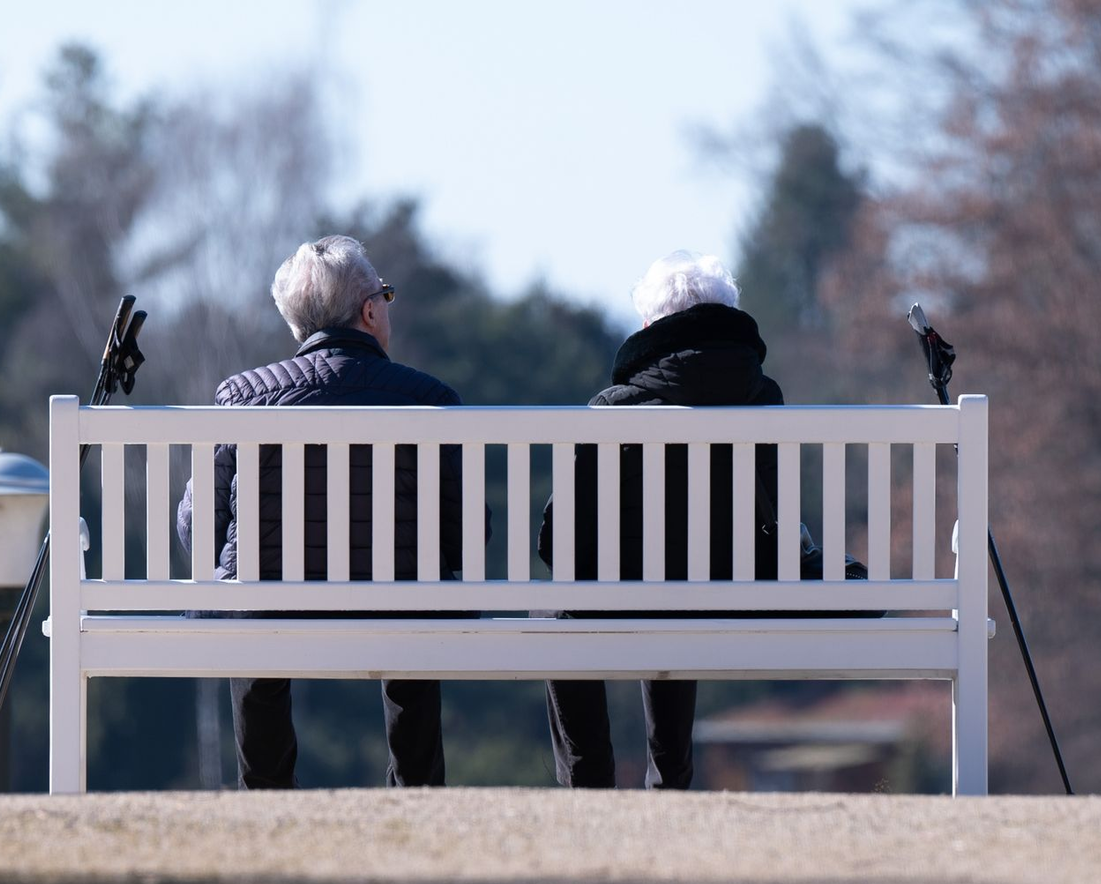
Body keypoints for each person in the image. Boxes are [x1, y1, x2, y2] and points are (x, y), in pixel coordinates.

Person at [177, 234, 471, 789]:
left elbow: (198, 528)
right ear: (369, 311)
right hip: (401, 610)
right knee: (419, 592)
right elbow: (464, 536)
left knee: (248, 594)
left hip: (267, 610)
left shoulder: (242, 396)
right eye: (385, 295)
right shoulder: (429, 399)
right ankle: (417, 790)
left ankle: (265, 793)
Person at [538, 251, 782, 789]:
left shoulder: (614, 407)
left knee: (558, 608)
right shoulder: (764, 398)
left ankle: (589, 785)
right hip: (738, 589)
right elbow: (776, 511)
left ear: (650, 328)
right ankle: (671, 781)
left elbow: (562, 541)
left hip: (631, 590)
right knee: (684, 579)